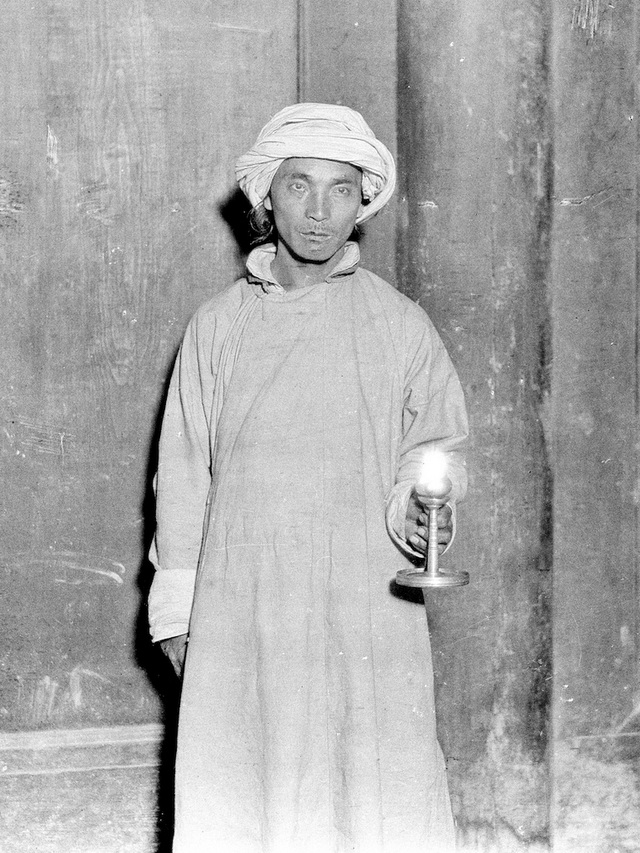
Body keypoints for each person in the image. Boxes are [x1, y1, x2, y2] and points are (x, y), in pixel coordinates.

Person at [148, 103, 468, 853]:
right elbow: (183, 474)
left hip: (364, 603)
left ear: (363, 203)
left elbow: (435, 451)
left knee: (371, 789)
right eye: (299, 186)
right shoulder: (218, 326)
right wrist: (177, 612)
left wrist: (419, 511)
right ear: (267, 195)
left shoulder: (400, 326)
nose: (319, 211)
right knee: (247, 787)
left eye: (340, 189)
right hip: (245, 604)